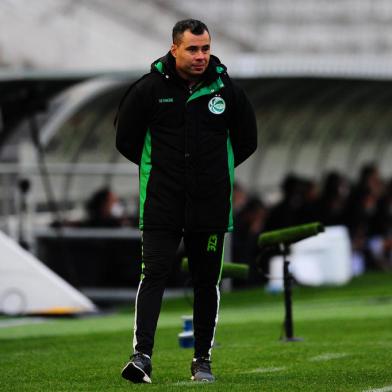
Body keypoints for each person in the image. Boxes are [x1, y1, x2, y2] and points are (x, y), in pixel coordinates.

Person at [115, 19, 257, 384]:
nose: (200, 56)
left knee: (206, 281)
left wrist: (211, 173)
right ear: (174, 48)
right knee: (153, 276)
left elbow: (247, 141)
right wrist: (164, 172)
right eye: (192, 49)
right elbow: (126, 140)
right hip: (161, 203)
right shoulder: (148, 90)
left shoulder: (227, 91)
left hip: (210, 206)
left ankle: (202, 360)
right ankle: (142, 356)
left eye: (205, 48)